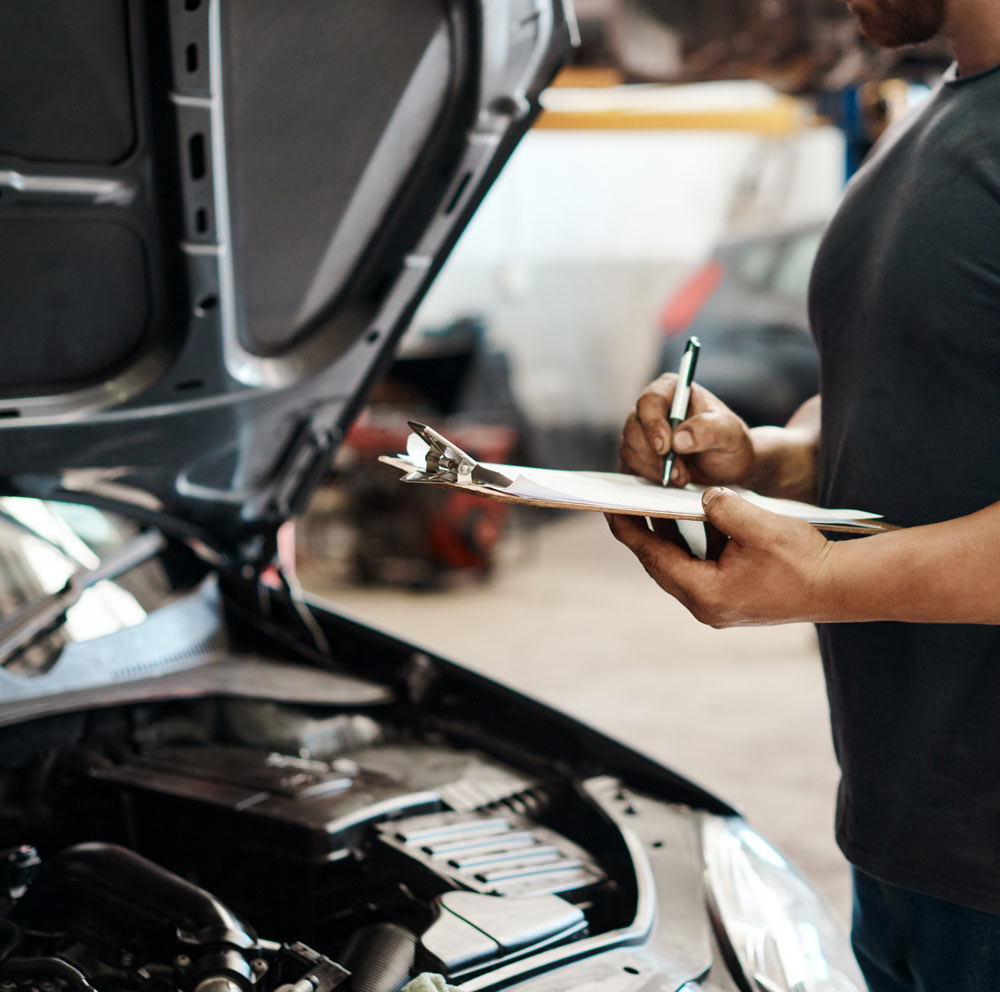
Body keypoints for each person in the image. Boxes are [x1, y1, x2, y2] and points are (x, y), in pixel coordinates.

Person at [607, 1, 1000, 988]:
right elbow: (932, 399)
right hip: (907, 842)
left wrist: (820, 575)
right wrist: (764, 459)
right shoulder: (934, 114)